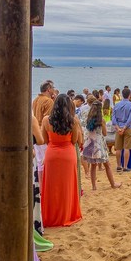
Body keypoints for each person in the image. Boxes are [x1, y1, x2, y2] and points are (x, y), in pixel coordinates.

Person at [40, 94, 82, 227]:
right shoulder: (73, 121)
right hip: (68, 155)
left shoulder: (46, 120)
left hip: (51, 154)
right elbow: (74, 140)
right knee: (67, 186)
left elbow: (44, 140)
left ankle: (51, 215)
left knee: (51, 187)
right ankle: (67, 215)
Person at [81, 100, 121, 191]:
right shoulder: (101, 120)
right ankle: (113, 184)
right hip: (99, 144)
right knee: (107, 165)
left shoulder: (88, 119)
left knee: (93, 166)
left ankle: (94, 186)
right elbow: (105, 133)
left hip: (90, 144)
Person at [111, 87, 131, 171]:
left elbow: (113, 118)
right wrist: (124, 127)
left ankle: (119, 166)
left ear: (122, 95)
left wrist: (118, 128)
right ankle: (125, 166)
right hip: (128, 128)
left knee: (118, 148)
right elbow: (130, 119)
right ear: (129, 95)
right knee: (127, 148)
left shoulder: (116, 105)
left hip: (118, 127)